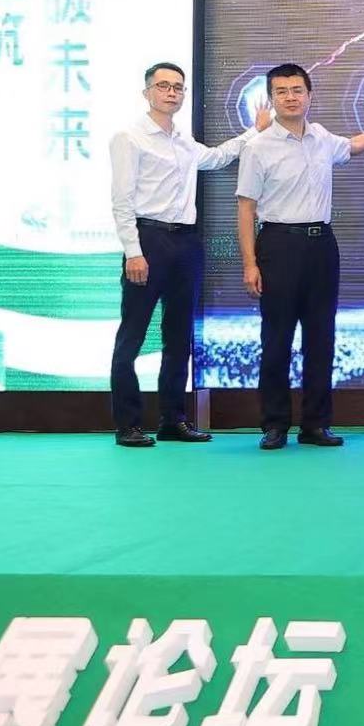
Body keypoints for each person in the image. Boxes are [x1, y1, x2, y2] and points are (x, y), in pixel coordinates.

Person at [235, 62, 364, 452]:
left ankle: (316, 424)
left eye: (297, 90)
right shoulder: (257, 147)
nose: (290, 97)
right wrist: (249, 263)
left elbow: (355, 146)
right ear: (271, 98)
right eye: (281, 91)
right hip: (278, 245)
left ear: (309, 95)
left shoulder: (322, 137)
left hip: (322, 245)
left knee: (321, 338)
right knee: (276, 339)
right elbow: (245, 208)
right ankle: (274, 425)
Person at [108, 62, 267, 448]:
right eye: (163, 86)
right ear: (146, 92)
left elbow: (217, 157)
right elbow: (122, 200)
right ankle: (127, 424)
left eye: (178, 87)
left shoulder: (183, 140)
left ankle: (172, 420)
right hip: (148, 240)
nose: (171, 92)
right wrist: (133, 251)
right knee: (132, 335)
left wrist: (255, 131)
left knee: (179, 337)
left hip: (186, 243)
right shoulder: (129, 137)